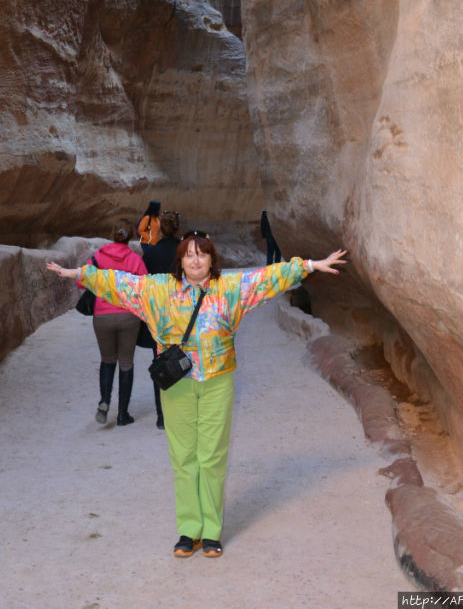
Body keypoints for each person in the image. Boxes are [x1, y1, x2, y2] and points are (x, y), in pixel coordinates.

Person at [48, 232, 347, 557]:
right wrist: (81, 274)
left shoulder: (229, 289)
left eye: (201, 254)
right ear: (180, 260)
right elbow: (120, 283)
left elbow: (266, 278)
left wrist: (309, 265)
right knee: (184, 457)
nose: (195, 260)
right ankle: (189, 530)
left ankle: (211, 531)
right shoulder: (160, 289)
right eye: (189, 254)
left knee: (213, 457)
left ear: (211, 260)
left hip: (217, 381)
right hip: (177, 385)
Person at [89, 224, 148, 426]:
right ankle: (123, 414)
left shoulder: (98, 256)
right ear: (129, 237)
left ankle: (104, 401)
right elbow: (145, 287)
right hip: (128, 316)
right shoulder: (135, 259)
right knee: (126, 362)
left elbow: (82, 280)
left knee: (107, 360)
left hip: (102, 316)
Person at [139, 210, 181, 429]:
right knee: (183, 360)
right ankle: (180, 412)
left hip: (157, 316)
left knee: (160, 363)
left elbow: (144, 284)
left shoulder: (151, 254)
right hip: (181, 315)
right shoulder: (185, 252)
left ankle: (162, 416)